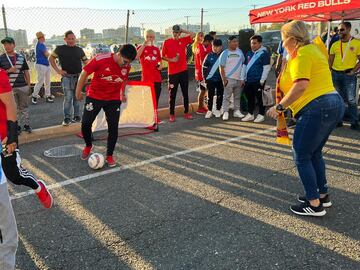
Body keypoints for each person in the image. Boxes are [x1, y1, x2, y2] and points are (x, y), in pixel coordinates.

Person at [267, 20, 345, 217]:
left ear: (292, 39)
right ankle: (321, 194)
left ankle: (314, 203)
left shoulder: (302, 54)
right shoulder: (313, 50)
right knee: (314, 152)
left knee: (301, 155)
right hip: (331, 103)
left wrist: (280, 106)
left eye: (284, 39)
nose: (282, 43)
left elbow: (301, 85)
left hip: (316, 107)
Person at [0, 67, 53, 210]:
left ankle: (38, 187)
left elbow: (11, 105)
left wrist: (11, 137)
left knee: (15, 176)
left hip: (3, 136)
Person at [75, 44, 137, 167]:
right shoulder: (101, 59)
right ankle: (88, 145)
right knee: (86, 124)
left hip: (113, 99)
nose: (126, 65)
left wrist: (122, 93)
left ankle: (109, 155)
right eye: (125, 61)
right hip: (95, 96)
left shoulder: (127, 66)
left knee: (113, 127)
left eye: (128, 63)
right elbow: (84, 73)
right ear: (118, 54)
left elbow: (124, 79)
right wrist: (78, 91)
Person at [49, 30, 88, 126]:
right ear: (65, 39)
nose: (71, 40)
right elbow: (51, 58)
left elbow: (86, 62)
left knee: (77, 97)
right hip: (67, 77)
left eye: (73, 39)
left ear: (75, 39)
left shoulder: (79, 50)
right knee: (68, 98)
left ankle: (77, 116)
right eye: (69, 39)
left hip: (78, 77)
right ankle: (67, 118)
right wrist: (58, 70)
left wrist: (86, 75)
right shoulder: (60, 49)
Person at [329, 22, 360, 130]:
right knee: (338, 99)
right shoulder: (335, 44)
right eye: (338, 30)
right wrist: (329, 73)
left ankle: (354, 122)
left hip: (349, 75)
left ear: (349, 29)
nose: (339, 32)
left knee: (351, 100)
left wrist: (353, 71)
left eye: (341, 30)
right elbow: (330, 61)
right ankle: (338, 121)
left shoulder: (356, 43)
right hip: (336, 74)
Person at [161, 25, 196, 122]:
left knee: (185, 93)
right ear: (172, 32)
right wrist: (171, 60)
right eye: (174, 32)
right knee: (172, 94)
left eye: (178, 32)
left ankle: (186, 113)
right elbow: (162, 56)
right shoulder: (167, 42)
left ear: (180, 33)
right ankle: (172, 114)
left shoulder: (184, 40)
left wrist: (183, 30)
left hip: (183, 71)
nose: (176, 34)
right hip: (173, 73)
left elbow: (194, 34)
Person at [0, 37, 32, 134]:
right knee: (13, 108)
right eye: (5, 44)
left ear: (14, 45)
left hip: (23, 86)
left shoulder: (21, 57)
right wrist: (9, 71)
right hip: (9, 88)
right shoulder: (1, 58)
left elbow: (26, 71)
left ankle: (26, 125)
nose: (7, 46)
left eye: (9, 44)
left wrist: (28, 85)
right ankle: (16, 127)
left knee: (24, 106)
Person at [242, 35, 271, 123]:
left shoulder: (264, 54)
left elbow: (266, 68)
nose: (253, 45)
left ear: (260, 43)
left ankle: (261, 114)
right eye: (251, 43)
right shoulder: (249, 53)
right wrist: (242, 78)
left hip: (258, 80)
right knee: (249, 98)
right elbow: (244, 66)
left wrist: (262, 80)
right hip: (248, 80)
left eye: (255, 43)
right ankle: (250, 114)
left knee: (260, 98)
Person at [136, 29, 163, 123]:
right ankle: (146, 118)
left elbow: (160, 60)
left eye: (151, 37)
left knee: (155, 99)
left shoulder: (156, 49)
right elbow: (136, 57)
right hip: (146, 79)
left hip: (157, 78)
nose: (149, 38)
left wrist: (161, 65)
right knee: (146, 100)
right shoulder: (141, 47)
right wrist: (144, 45)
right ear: (145, 37)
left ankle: (155, 117)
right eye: (147, 36)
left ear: (154, 38)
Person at [219, 36, 245, 121]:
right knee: (227, 96)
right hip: (228, 79)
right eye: (234, 42)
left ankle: (236, 111)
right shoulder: (225, 53)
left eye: (237, 42)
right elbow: (221, 67)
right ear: (229, 43)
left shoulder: (240, 52)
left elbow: (243, 65)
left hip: (239, 79)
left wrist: (242, 78)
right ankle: (225, 112)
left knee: (237, 97)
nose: (236, 43)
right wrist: (224, 79)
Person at [202, 39, 224, 119]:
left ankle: (218, 109)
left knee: (220, 95)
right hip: (210, 80)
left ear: (221, 47)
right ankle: (210, 110)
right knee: (210, 95)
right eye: (213, 46)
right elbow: (204, 68)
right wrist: (205, 78)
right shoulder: (209, 55)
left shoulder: (224, 55)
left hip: (220, 80)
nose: (214, 48)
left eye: (217, 47)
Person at [193, 33, 214, 114]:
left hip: (200, 73)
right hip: (202, 73)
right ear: (208, 41)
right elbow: (203, 62)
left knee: (204, 91)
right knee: (203, 91)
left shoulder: (199, 46)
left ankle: (202, 107)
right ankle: (199, 108)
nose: (211, 44)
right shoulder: (201, 48)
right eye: (210, 42)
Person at [31, 32, 54, 105]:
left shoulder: (41, 44)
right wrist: (51, 54)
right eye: (43, 37)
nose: (44, 38)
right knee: (41, 81)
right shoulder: (40, 45)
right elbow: (47, 54)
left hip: (45, 64)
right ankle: (34, 96)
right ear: (40, 38)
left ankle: (47, 95)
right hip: (41, 65)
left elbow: (47, 54)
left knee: (47, 81)